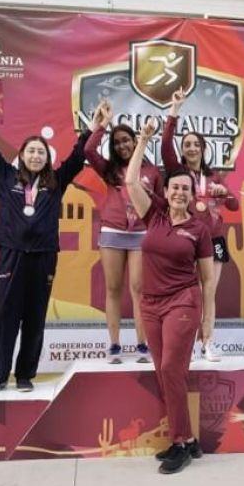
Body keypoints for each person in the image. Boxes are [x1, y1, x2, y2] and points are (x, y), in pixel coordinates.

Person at [0, 103, 96, 393]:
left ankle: (24, 374)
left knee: (34, 316)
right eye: (30, 151)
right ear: (21, 155)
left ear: (47, 158)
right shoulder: (5, 176)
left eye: (41, 152)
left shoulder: (55, 182)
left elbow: (79, 157)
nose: (35, 155)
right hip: (10, 255)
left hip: (43, 258)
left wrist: (93, 129)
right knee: (5, 317)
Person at [125, 118, 216, 474]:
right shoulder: (155, 216)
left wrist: (208, 321)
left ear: (193, 197)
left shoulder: (200, 229)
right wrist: (143, 140)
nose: (179, 192)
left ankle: (178, 442)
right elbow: (131, 181)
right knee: (167, 376)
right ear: (167, 192)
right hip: (150, 304)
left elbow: (207, 280)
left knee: (170, 369)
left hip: (183, 301)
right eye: (174, 187)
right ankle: (190, 440)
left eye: (185, 189)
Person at [162, 89, 240, 362]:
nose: (191, 148)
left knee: (208, 291)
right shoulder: (177, 174)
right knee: (186, 293)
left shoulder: (214, 175)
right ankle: (186, 344)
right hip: (185, 239)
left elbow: (234, 206)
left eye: (196, 144)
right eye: (187, 144)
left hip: (214, 240)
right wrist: (174, 113)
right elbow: (165, 145)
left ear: (204, 149)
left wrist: (224, 192)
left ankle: (207, 343)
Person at [85, 99, 160, 364]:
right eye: (117, 142)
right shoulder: (109, 170)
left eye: (126, 140)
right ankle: (114, 346)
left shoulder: (152, 171)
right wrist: (102, 125)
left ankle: (143, 345)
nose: (122, 145)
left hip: (141, 235)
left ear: (135, 140)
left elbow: (160, 205)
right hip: (113, 233)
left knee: (139, 290)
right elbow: (89, 149)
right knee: (113, 288)